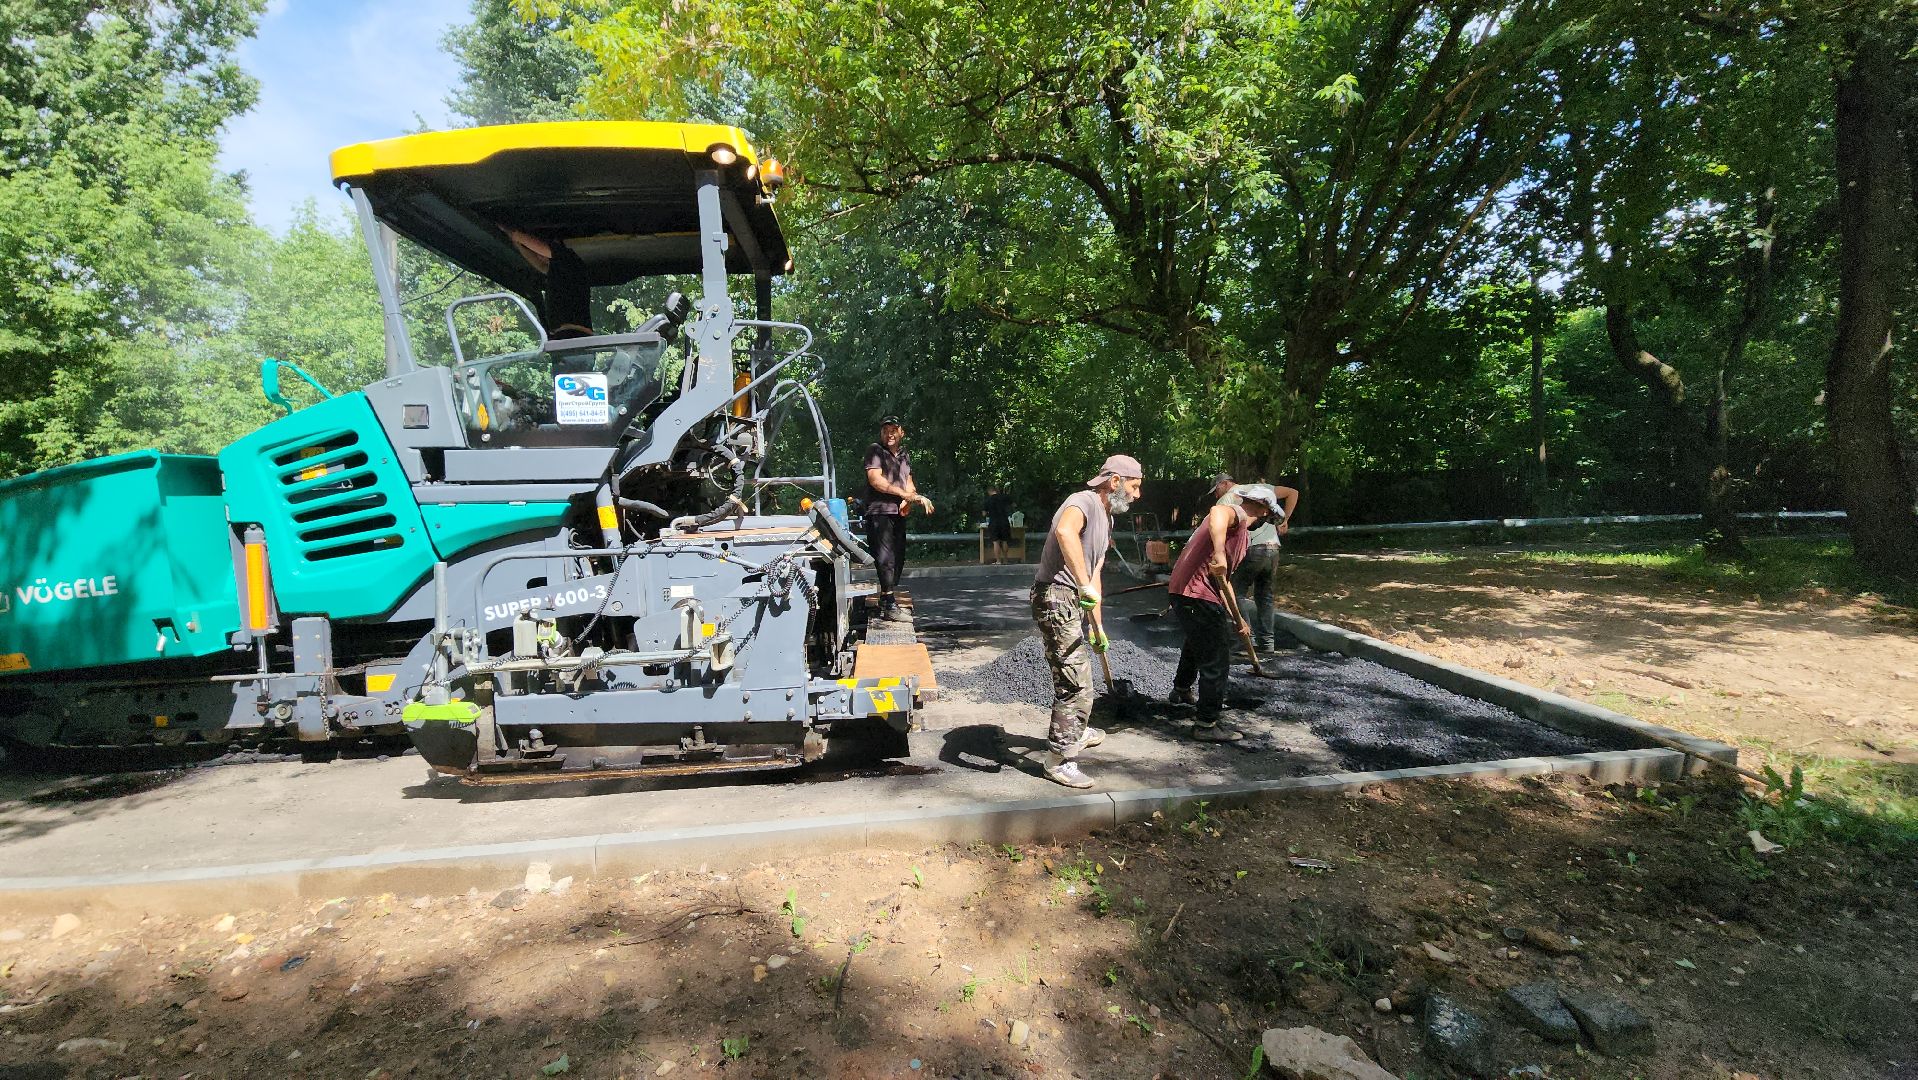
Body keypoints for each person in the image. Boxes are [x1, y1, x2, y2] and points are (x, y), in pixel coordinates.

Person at [1030, 454, 1144, 788]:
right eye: (1134, 486)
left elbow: (1094, 575)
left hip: (1072, 599)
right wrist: (1082, 585)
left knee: (1078, 672)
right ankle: (1058, 760)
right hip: (1055, 596)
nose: (1137, 495)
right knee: (1076, 682)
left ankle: (1075, 728)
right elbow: (1066, 533)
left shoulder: (1107, 519)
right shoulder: (1082, 502)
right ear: (1115, 481)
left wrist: (1099, 626)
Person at [1164, 483, 1286, 742]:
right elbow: (1217, 512)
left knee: (1197, 642)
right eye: (1268, 517)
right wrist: (1219, 552)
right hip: (1195, 592)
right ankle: (1206, 724)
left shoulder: (1239, 535)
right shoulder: (1236, 516)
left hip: (1187, 591)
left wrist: (1237, 617)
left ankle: (1181, 690)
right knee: (1217, 657)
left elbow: (1224, 579)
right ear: (1264, 511)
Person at [862, 415, 932, 620]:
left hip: (898, 513)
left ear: (902, 432)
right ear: (881, 433)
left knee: (899, 557)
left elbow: (908, 483)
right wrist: (902, 495)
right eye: (885, 430)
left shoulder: (904, 455)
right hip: (879, 511)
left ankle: (886, 598)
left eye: (893, 429)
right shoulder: (875, 450)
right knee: (886, 558)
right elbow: (876, 481)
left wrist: (912, 498)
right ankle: (890, 605)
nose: (889, 434)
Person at [1223, 481, 1300, 651]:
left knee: (1235, 592)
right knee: (1265, 595)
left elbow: (1223, 530)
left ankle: (1244, 641)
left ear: (1224, 484)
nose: (1216, 495)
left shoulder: (1228, 498)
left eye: (1216, 490)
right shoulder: (1263, 489)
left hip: (1253, 548)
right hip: (1272, 548)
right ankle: (1267, 643)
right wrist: (1284, 520)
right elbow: (1292, 491)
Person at [983, 485, 1014, 564]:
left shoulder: (987, 500)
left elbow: (984, 513)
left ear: (989, 491)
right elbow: (1013, 504)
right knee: (1005, 541)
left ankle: (998, 561)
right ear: (996, 490)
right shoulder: (1004, 497)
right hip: (1004, 521)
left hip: (994, 522)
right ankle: (1006, 560)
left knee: (996, 542)